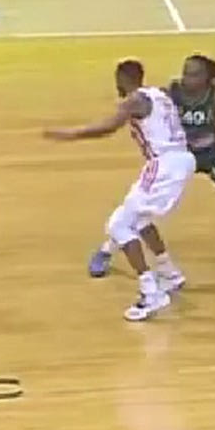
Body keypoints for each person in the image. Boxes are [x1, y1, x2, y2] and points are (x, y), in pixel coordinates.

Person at [86, 54, 215, 279]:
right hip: (181, 155)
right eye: (185, 73)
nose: (187, 78)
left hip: (211, 155)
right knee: (141, 205)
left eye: (194, 74)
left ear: (207, 77)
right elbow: (147, 105)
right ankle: (108, 249)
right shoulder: (172, 92)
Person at [44, 59, 196, 322]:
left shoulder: (134, 100)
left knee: (118, 225)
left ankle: (151, 292)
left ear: (124, 79)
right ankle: (170, 274)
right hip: (180, 160)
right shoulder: (159, 94)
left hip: (164, 166)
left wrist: (69, 134)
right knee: (141, 220)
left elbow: (107, 127)